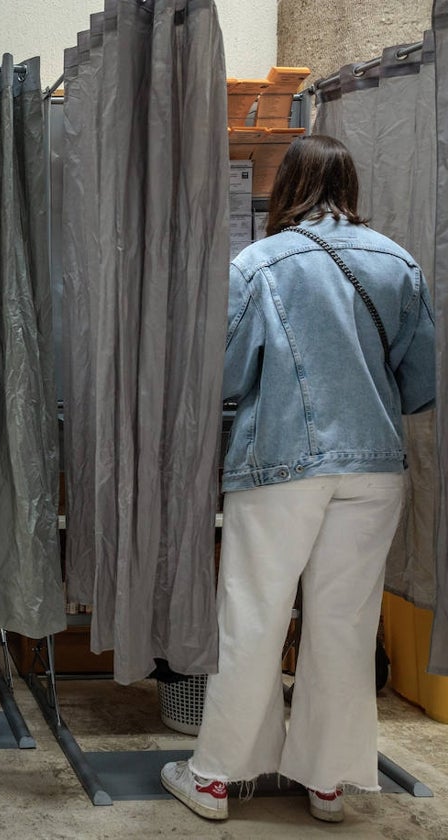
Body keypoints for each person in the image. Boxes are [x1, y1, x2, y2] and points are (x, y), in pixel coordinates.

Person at [161, 135, 436, 821]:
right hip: (373, 468)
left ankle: (218, 778)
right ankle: (328, 781)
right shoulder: (398, 262)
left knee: (253, 617)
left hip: (279, 461)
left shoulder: (258, 263)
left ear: (287, 186)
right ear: (351, 185)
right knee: (345, 624)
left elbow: (224, 376)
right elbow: (422, 385)